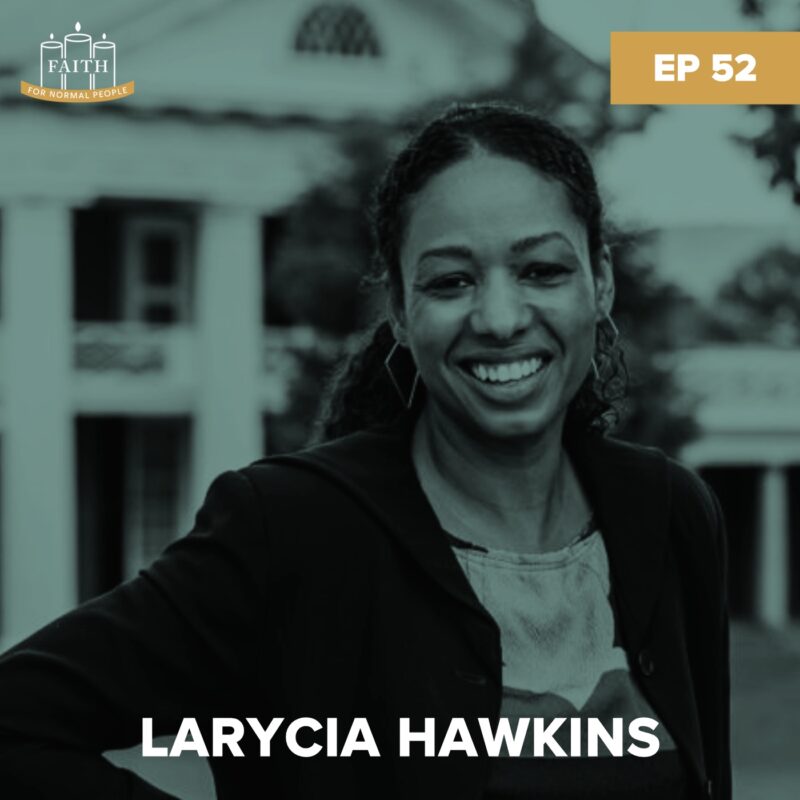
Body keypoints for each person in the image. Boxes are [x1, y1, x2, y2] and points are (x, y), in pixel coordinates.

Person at [0, 102, 730, 799]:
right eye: (451, 281)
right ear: (402, 314)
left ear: (599, 282)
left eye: (542, 270)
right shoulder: (290, 527)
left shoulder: (668, 512)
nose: (501, 318)